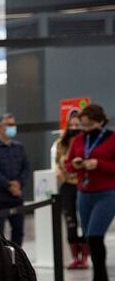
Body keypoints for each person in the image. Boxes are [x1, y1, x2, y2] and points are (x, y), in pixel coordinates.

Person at [66, 103, 115, 281]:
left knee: (95, 236)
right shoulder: (78, 140)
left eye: (88, 125)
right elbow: (68, 163)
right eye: (82, 125)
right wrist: (76, 164)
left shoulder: (112, 139)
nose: (85, 129)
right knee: (90, 239)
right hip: (83, 193)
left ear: (100, 122)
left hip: (106, 193)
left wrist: (98, 164)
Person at [0, 113, 31, 246]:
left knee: (18, 232)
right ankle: (1, 264)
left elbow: (26, 168)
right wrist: (9, 185)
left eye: (14, 124)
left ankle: (17, 262)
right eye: (9, 125)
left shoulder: (19, 148)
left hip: (16, 197)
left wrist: (19, 184)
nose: (12, 127)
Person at [53, 114, 88, 269]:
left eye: (77, 124)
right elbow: (57, 162)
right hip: (67, 185)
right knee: (70, 222)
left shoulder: (87, 141)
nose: (74, 128)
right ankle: (75, 258)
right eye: (71, 125)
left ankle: (85, 258)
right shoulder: (61, 143)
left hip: (84, 185)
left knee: (86, 221)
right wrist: (59, 172)